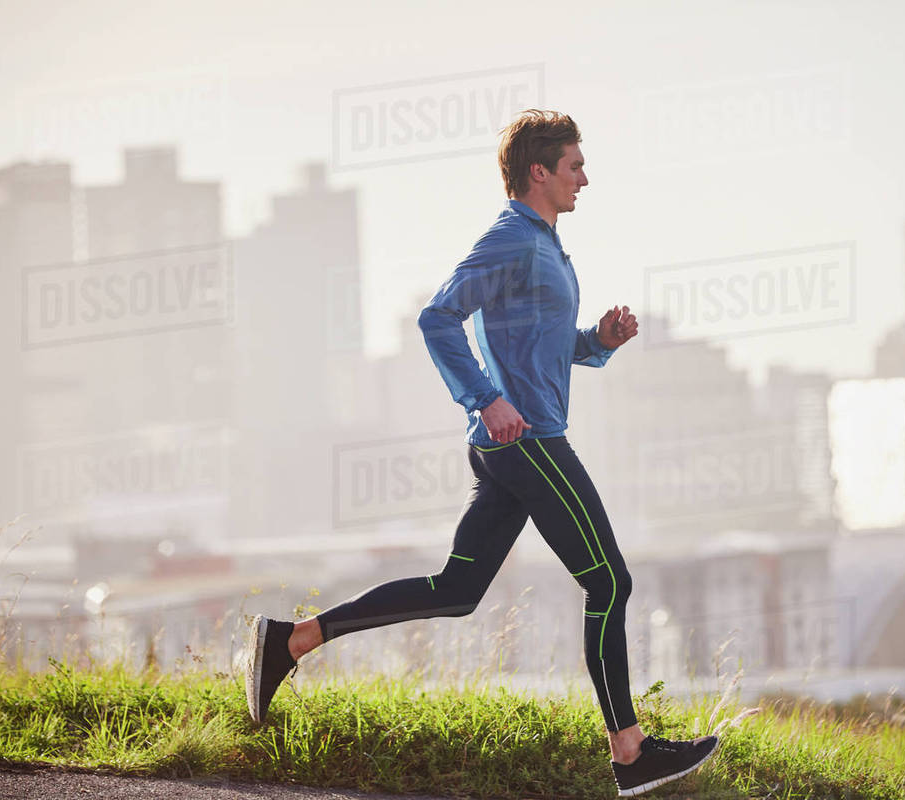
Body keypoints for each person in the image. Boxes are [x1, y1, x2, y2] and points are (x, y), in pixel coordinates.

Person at [245, 110, 718, 797]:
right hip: (527, 444)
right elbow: (438, 317)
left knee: (456, 591)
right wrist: (484, 399)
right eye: (575, 165)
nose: (585, 177)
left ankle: (289, 643)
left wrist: (599, 342)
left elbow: (543, 347)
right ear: (539, 171)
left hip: (514, 446)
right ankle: (630, 751)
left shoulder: (548, 246)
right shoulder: (510, 240)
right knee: (610, 583)